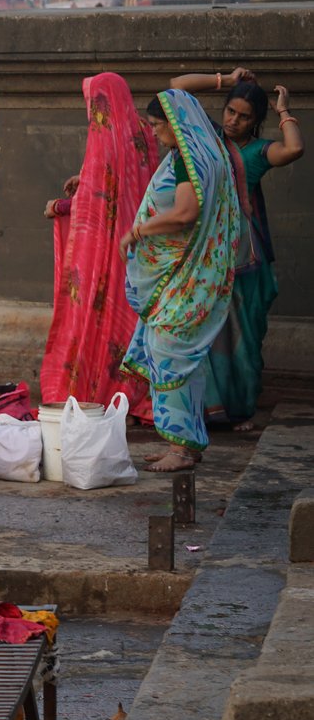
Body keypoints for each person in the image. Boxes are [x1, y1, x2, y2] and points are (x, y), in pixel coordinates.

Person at [170, 68, 304, 432]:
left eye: (245, 117)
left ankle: (243, 407)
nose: (234, 121)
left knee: (245, 335)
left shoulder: (259, 152)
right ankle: (211, 407)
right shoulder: (210, 137)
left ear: (255, 122)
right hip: (209, 253)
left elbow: (294, 148)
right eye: (230, 111)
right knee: (209, 332)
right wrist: (225, 80)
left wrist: (283, 110)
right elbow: (176, 88)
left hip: (246, 257)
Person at [121, 90, 244, 472]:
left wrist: (139, 231)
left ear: (175, 125)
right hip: (196, 276)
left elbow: (185, 214)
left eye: (158, 126)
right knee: (184, 361)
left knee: (170, 356)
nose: (155, 133)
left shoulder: (187, 163)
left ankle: (180, 449)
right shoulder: (207, 153)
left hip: (188, 280)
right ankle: (185, 444)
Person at [41, 73, 156, 419]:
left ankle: (101, 388)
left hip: (109, 254)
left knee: (96, 319)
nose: (92, 111)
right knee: (132, 323)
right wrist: (86, 179)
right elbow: (124, 186)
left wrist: (59, 208)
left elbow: (97, 203)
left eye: (93, 104)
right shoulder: (143, 131)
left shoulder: (104, 137)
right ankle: (139, 387)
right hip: (138, 250)